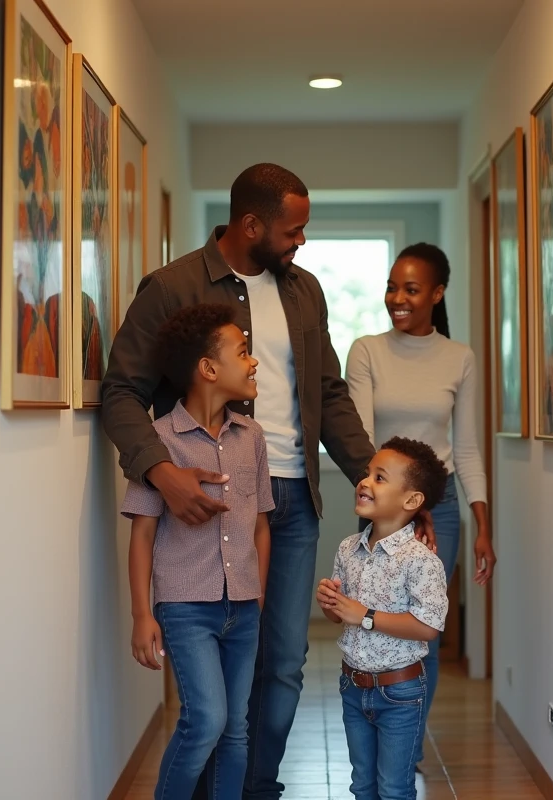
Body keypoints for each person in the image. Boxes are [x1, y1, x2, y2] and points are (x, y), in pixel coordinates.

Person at [102, 163, 433, 799]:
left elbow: (329, 395)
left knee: (281, 664)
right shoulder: (172, 287)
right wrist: (163, 473)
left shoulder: (305, 291)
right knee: (220, 683)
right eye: (293, 230)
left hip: (292, 500)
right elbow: (121, 392)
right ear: (251, 225)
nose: (302, 241)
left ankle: (256, 789)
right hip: (210, 503)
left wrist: (387, 491)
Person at [344, 242, 498, 770]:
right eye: (392, 288)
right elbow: (364, 442)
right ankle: (373, 740)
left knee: (421, 629)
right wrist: (404, 504)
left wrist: (482, 524)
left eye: (411, 289)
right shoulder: (367, 350)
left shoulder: (460, 358)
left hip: (443, 507)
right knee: (373, 624)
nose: (397, 299)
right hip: (385, 505)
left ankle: (404, 751)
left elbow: (467, 448)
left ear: (437, 293)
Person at [122, 304, 272, 799]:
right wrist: (142, 615)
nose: (253, 361)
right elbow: (142, 534)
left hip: (243, 606)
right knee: (206, 720)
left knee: (235, 730)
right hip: (185, 608)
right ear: (208, 368)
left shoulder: (252, 438)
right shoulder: (160, 442)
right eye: (243, 352)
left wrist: (257, 594)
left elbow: (261, 524)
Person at [317, 437, 450, 800]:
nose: (364, 482)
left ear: (411, 500)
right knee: (362, 786)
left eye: (380, 477)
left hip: (400, 693)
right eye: (367, 473)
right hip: (352, 686)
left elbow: (428, 626)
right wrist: (331, 604)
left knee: (393, 789)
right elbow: (339, 617)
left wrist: (366, 616)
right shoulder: (348, 548)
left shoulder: (421, 560)